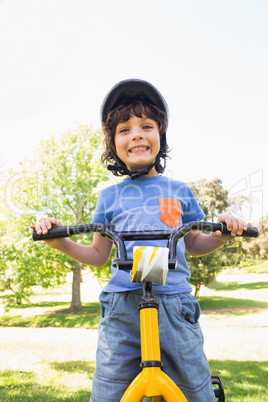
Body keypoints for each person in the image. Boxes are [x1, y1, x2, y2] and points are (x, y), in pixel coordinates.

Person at [31, 79, 247, 401]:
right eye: (124, 129)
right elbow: (98, 254)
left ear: (160, 136)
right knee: (108, 393)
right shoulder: (108, 197)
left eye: (146, 126)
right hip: (122, 309)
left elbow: (195, 244)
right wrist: (59, 242)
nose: (136, 134)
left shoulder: (179, 191)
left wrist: (222, 235)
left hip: (173, 304)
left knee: (195, 391)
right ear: (113, 143)